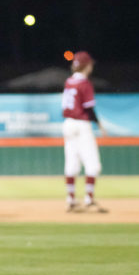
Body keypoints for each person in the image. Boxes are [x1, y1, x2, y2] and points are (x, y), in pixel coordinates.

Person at [61, 51, 108, 213]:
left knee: (71, 163)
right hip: (81, 124)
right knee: (93, 164)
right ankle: (88, 200)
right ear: (86, 65)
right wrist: (99, 124)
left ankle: (71, 200)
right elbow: (89, 108)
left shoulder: (69, 81)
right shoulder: (84, 83)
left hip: (67, 124)